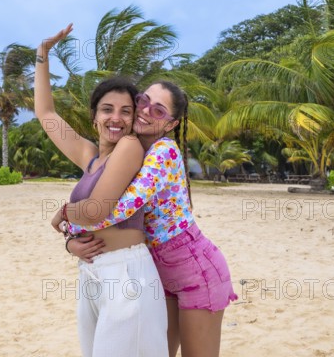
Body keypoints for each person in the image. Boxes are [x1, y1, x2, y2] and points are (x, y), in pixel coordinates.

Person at [57, 80, 238, 357]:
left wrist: (68, 220)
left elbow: (122, 208)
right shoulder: (130, 149)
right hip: (157, 271)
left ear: (170, 124)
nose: (145, 111)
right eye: (143, 101)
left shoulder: (163, 151)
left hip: (196, 271)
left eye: (158, 110)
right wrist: (71, 241)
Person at [34, 24, 168, 357]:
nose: (116, 119)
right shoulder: (89, 156)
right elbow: (45, 113)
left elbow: (98, 210)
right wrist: (42, 54)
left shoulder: (130, 147)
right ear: (94, 116)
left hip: (127, 275)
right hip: (92, 273)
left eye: (126, 112)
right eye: (107, 109)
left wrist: (63, 213)